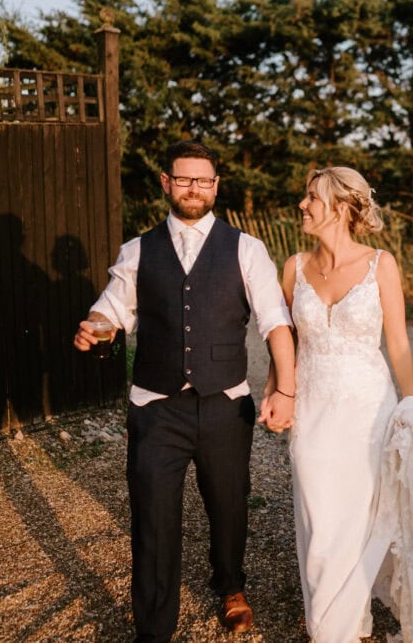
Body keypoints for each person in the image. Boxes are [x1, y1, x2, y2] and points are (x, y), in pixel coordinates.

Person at [73, 140, 296, 642]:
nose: (194, 188)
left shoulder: (247, 248)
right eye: (184, 178)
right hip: (156, 407)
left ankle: (230, 584)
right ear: (166, 183)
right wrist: (97, 327)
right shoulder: (137, 249)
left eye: (204, 180)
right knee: (153, 516)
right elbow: (111, 308)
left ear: (216, 186)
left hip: (225, 403)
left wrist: (287, 388)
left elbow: (275, 322)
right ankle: (154, 628)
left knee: (230, 503)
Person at [277, 167, 413, 642]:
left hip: (369, 412)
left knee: (363, 519)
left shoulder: (380, 264)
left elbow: (399, 343)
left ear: (341, 208)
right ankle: (335, 623)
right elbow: (285, 340)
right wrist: (277, 389)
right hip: (312, 413)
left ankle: (345, 628)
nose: (303, 206)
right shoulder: (292, 267)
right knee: (321, 524)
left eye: (312, 199)